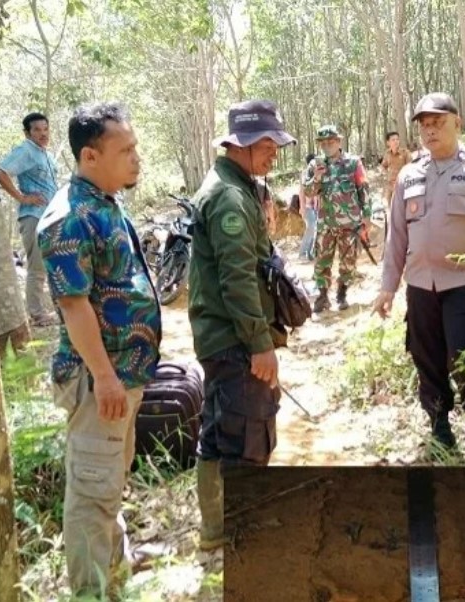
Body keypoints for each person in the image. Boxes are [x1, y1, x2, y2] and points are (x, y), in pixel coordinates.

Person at [37, 102, 160, 599]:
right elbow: (74, 306)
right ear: (90, 156)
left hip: (121, 377)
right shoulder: (70, 217)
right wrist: (106, 377)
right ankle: (91, 591)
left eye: (135, 147)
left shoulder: (105, 201)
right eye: (124, 150)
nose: (136, 159)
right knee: (91, 492)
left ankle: (115, 573)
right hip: (98, 382)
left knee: (107, 481)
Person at [188, 99, 297, 549]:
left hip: (224, 337)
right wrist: (259, 345)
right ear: (244, 144)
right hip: (235, 340)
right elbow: (237, 279)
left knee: (219, 432)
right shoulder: (230, 196)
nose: (274, 153)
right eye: (268, 144)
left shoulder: (235, 185)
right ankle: (240, 534)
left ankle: (216, 529)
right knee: (246, 436)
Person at [372, 92, 465, 453]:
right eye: (424, 125)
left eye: (438, 123)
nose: (430, 131)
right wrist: (388, 287)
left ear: (457, 123)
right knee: (426, 357)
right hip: (420, 287)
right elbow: (396, 235)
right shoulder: (409, 175)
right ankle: (439, 425)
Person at [0, 112, 59, 327]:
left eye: (45, 129)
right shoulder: (26, 151)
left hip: (52, 217)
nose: (42, 134)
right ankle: (37, 314)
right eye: (37, 130)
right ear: (27, 133)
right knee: (37, 267)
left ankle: (58, 308)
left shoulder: (46, 155)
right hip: (33, 217)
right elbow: (1, 172)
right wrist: (22, 197)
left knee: (55, 265)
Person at [303, 125, 370, 312]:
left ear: (339, 142)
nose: (326, 145)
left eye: (330, 141)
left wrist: (367, 216)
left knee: (348, 261)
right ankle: (323, 296)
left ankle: (342, 293)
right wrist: (316, 177)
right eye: (322, 143)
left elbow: (363, 189)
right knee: (322, 260)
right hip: (326, 224)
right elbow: (308, 192)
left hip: (350, 223)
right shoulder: (315, 165)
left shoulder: (353, 163)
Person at [381, 130, 413, 207]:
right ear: (388, 143)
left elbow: (411, 168)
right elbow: (383, 166)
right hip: (390, 186)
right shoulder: (387, 154)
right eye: (393, 140)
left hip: (403, 185)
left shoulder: (405, 153)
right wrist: (386, 175)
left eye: (397, 139)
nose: (396, 141)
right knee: (390, 208)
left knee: (403, 208)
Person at [298, 152, 319, 261]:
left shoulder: (317, 173)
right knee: (311, 228)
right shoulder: (305, 174)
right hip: (307, 206)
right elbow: (301, 192)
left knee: (314, 229)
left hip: (316, 207)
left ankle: (310, 253)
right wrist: (302, 208)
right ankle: (302, 253)